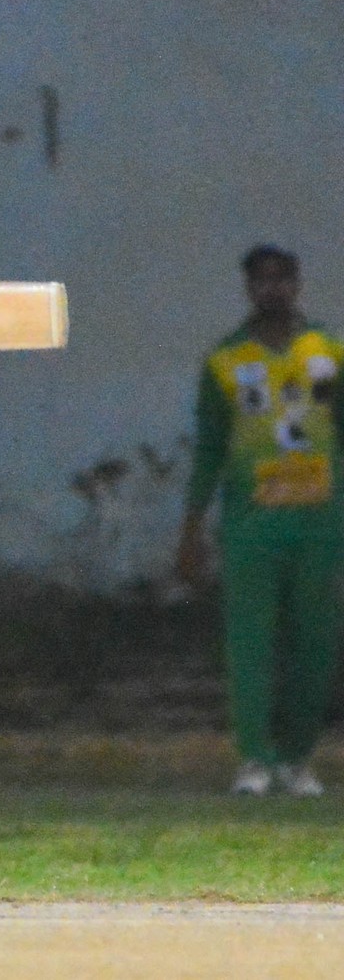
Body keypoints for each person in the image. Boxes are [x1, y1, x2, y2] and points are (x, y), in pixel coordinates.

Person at [176, 245, 344, 797]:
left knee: (314, 643)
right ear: (249, 288)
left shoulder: (329, 350)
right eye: (262, 280)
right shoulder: (226, 360)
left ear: (298, 284)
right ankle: (254, 759)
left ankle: (296, 760)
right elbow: (210, 447)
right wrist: (192, 526)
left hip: (319, 522)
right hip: (253, 524)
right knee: (251, 643)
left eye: (282, 279)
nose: (273, 289)